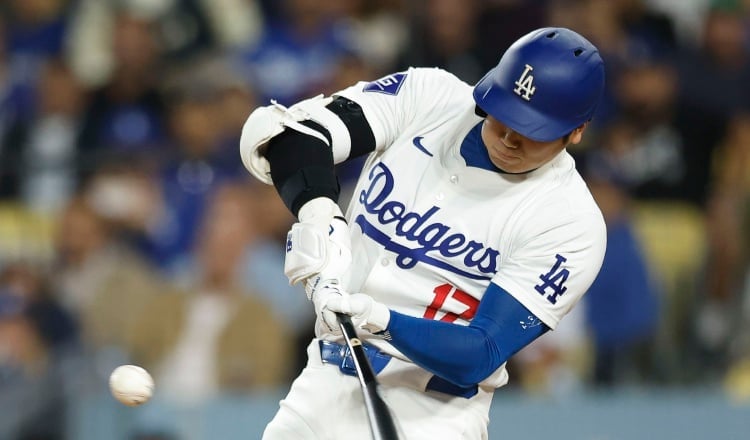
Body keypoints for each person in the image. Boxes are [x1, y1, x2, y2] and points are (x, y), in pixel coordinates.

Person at [240, 27, 607, 439]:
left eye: (531, 130)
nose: (507, 137)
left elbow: (480, 353)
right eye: (502, 113)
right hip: (321, 383)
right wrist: (319, 213)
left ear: (577, 131)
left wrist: (376, 318)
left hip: (433, 415)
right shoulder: (429, 96)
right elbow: (289, 135)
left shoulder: (571, 223)